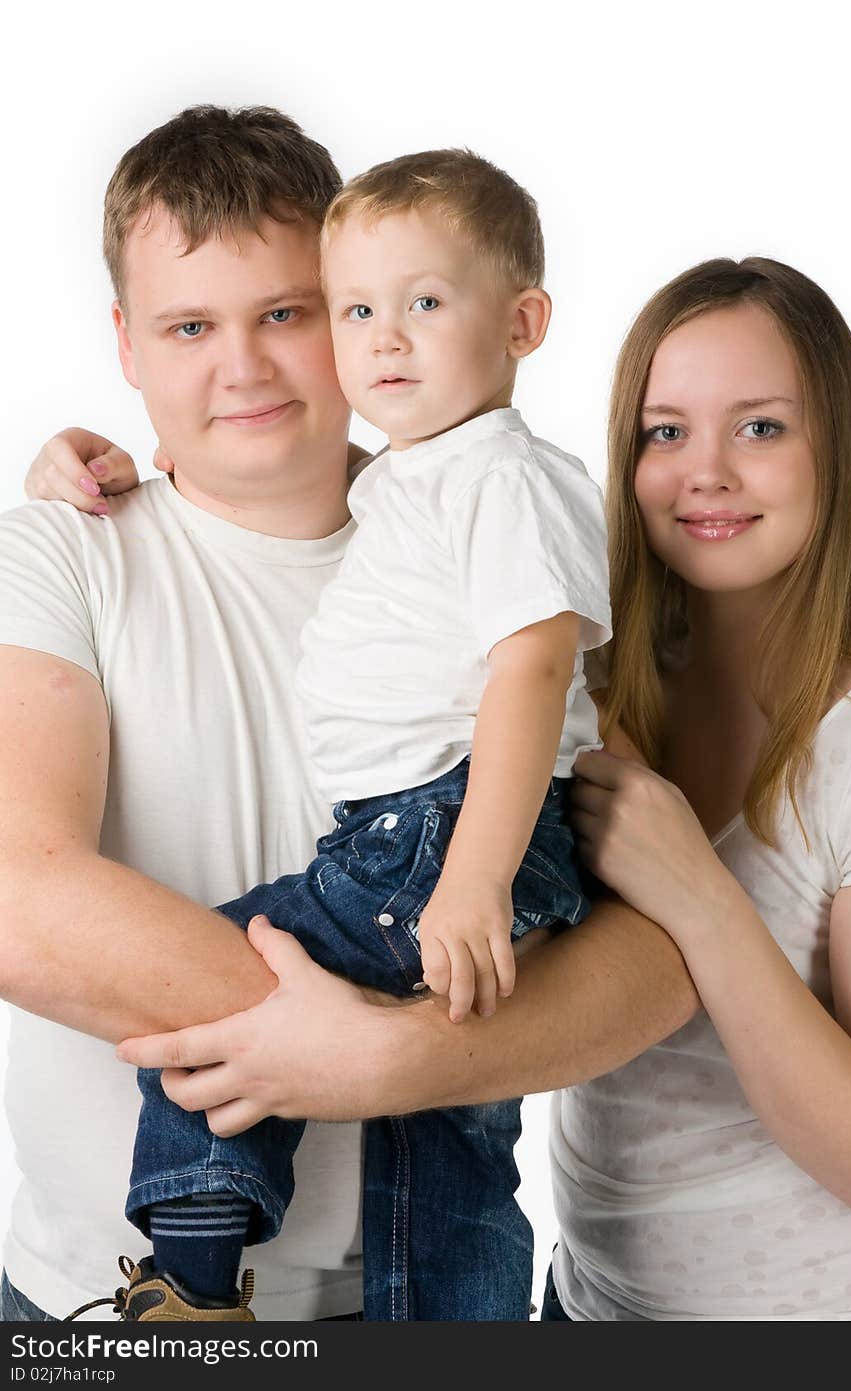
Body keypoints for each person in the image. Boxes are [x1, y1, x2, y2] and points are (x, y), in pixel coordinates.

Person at [5, 104, 698, 1323]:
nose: (244, 365)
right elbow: (17, 888)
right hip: (97, 1306)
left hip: (406, 1298)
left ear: (346, 302)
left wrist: (401, 1058)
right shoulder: (63, 550)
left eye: (286, 312)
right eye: (188, 326)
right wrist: (368, 1040)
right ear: (125, 344)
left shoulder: (464, 537)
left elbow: (661, 944)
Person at [112, 256, 851, 1319]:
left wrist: (699, 895)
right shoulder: (593, 681)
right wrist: (142, 473)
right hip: (585, 1304)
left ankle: (193, 1254)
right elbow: (430, 495)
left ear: (838, 446)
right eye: (665, 431)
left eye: (760, 427)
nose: (705, 470)